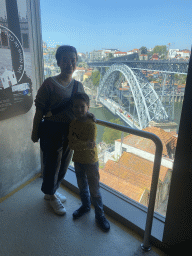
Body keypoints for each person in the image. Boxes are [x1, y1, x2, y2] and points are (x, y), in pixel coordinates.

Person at [31, 45, 92, 216]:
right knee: (51, 165)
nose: (69, 64)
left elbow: (82, 108)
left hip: (71, 131)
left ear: (76, 63)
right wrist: (35, 132)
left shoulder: (78, 86)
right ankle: (50, 195)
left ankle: (52, 192)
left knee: (64, 164)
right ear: (58, 62)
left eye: (73, 60)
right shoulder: (49, 84)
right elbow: (39, 111)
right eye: (65, 60)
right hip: (51, 130)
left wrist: (90, 116)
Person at [68, 92, 110, 232]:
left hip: (91, 162)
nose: (79, 109)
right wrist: (84, 144)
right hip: (78, 160)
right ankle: (86, 207)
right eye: (76, 106)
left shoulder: (91, 124)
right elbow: (72, 144)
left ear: (88, 107)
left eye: (82, 106)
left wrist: (80, 142)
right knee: (82, 187)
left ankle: (100, 216)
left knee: (95, 191)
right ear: (72, 107)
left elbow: (86, 143)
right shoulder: (73, 123)